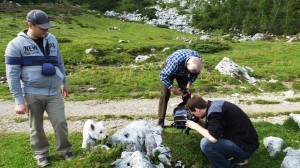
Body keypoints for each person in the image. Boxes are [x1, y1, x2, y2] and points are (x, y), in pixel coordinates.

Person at [5, 9, 73, 167]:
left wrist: (65, 83)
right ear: (30, 25)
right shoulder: (15, 45)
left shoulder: (52, 39)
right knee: (36, 127)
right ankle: (41, 154)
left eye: (48, 26)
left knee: (60, 122)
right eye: (42, 27)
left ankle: (65, 150)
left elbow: (60, 62)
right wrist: (18, 100)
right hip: (31, 92)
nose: (46, 30)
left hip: (53, 92)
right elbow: (12, 75)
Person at [185, 96, 259, 168]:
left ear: (197, 110)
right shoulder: (214, 106)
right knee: (209, 137)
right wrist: (197, 121)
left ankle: (226, 165)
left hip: (245, 148)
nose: (194, 115)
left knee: (206, 144)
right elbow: (213, 128)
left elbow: (213, 138)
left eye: (194, 113)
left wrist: (195, 126)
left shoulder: (215, 113)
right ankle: (236, 159)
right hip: (246, 142)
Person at [158, 49, 202, 127]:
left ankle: (189, 118)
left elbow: (195, 73)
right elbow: (163, 76)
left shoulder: (198, 61)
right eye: (191, 71)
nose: (191, 73)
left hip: (183, 73)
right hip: (170, 71)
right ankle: (160, 121)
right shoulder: (175, 62)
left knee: (187, 94)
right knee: (165, 94)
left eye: (192, 72)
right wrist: (172, 89)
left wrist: (189, 83)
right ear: (187, 64)